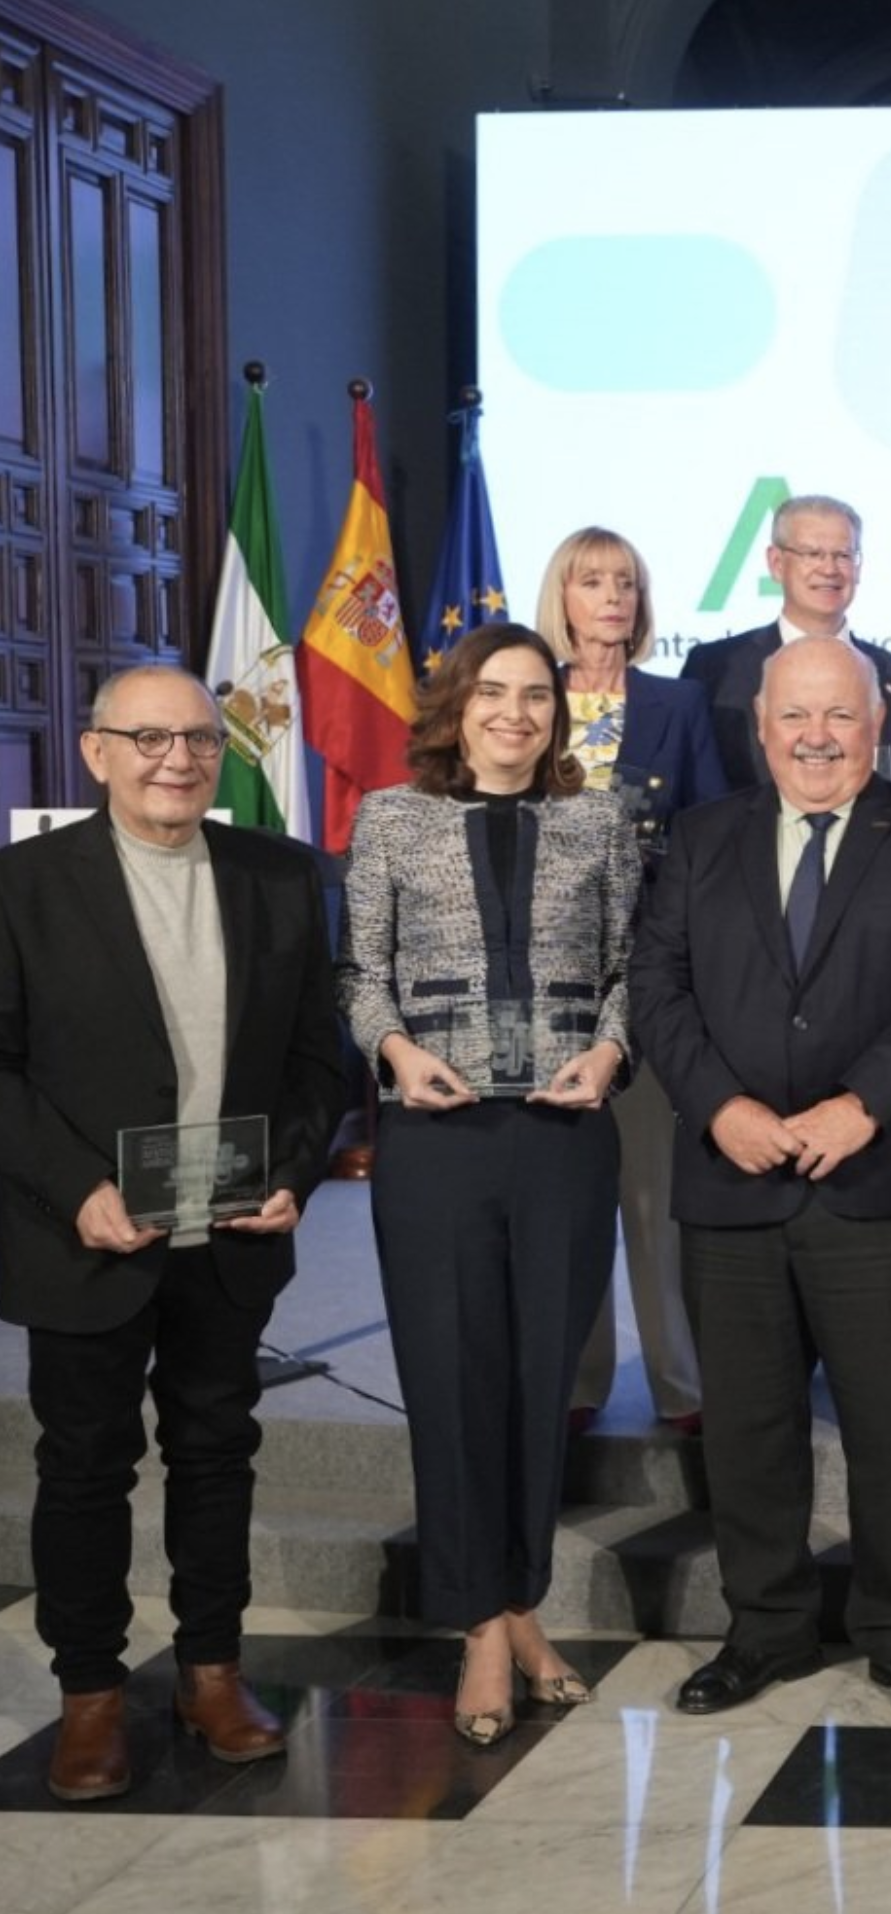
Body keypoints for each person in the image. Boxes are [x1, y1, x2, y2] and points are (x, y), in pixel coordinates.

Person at [631, 636, 891, 1721]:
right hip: (734, 1178)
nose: (816, 737)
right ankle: (767, 1629)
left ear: (876, 721)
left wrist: (863, 1104)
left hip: (880, 1177)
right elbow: (656, 986)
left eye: (838, 716)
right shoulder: (699, 840)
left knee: (890, 1424)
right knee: (747, 1425)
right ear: (758, 725)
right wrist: (720, 1108)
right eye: (794, 717)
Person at [0, 666, 344, 1802]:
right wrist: (75, 1188)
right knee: (86, 1467)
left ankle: (211, 1673)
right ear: (95, 753)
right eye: (147, 739)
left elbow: (316, 1055)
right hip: (86, 1237)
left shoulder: (281, 876)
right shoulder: (23, 885)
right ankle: (91, 1696)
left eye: (198, 739)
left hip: (231, 1231)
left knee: (215, 1455)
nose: (177, 760)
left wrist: (292, 1170)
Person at [338, 624, 640, 1745]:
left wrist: (610, 1053)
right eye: (494, 694)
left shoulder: (599, 821)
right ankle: (479, 1624)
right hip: (437, 1137)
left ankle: (520, 1604)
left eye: (537, 697)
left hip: (563, 1135)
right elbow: (357, 973)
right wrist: (395, 1054)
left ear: (559, 715)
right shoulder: (390, 819)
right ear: (457, 707)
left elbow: (631, 969)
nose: (515, 714)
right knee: (451, 1376)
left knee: (537, 1379)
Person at [534, 525, 729, 1439]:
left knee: (653, 1195)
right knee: (569, 1198)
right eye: (592, 581)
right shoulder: (525, 698)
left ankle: (683, 1385)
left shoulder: (678, 703)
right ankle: (577, 1382)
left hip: (649, 974)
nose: (612, 596)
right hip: (547, 982)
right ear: (562, 598)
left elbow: (708, 839)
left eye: (625, 582)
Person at [680, 493, 891, 794]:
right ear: (777, 563)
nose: (829, 569)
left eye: (843, 555)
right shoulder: (712, 670)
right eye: (812, 554)